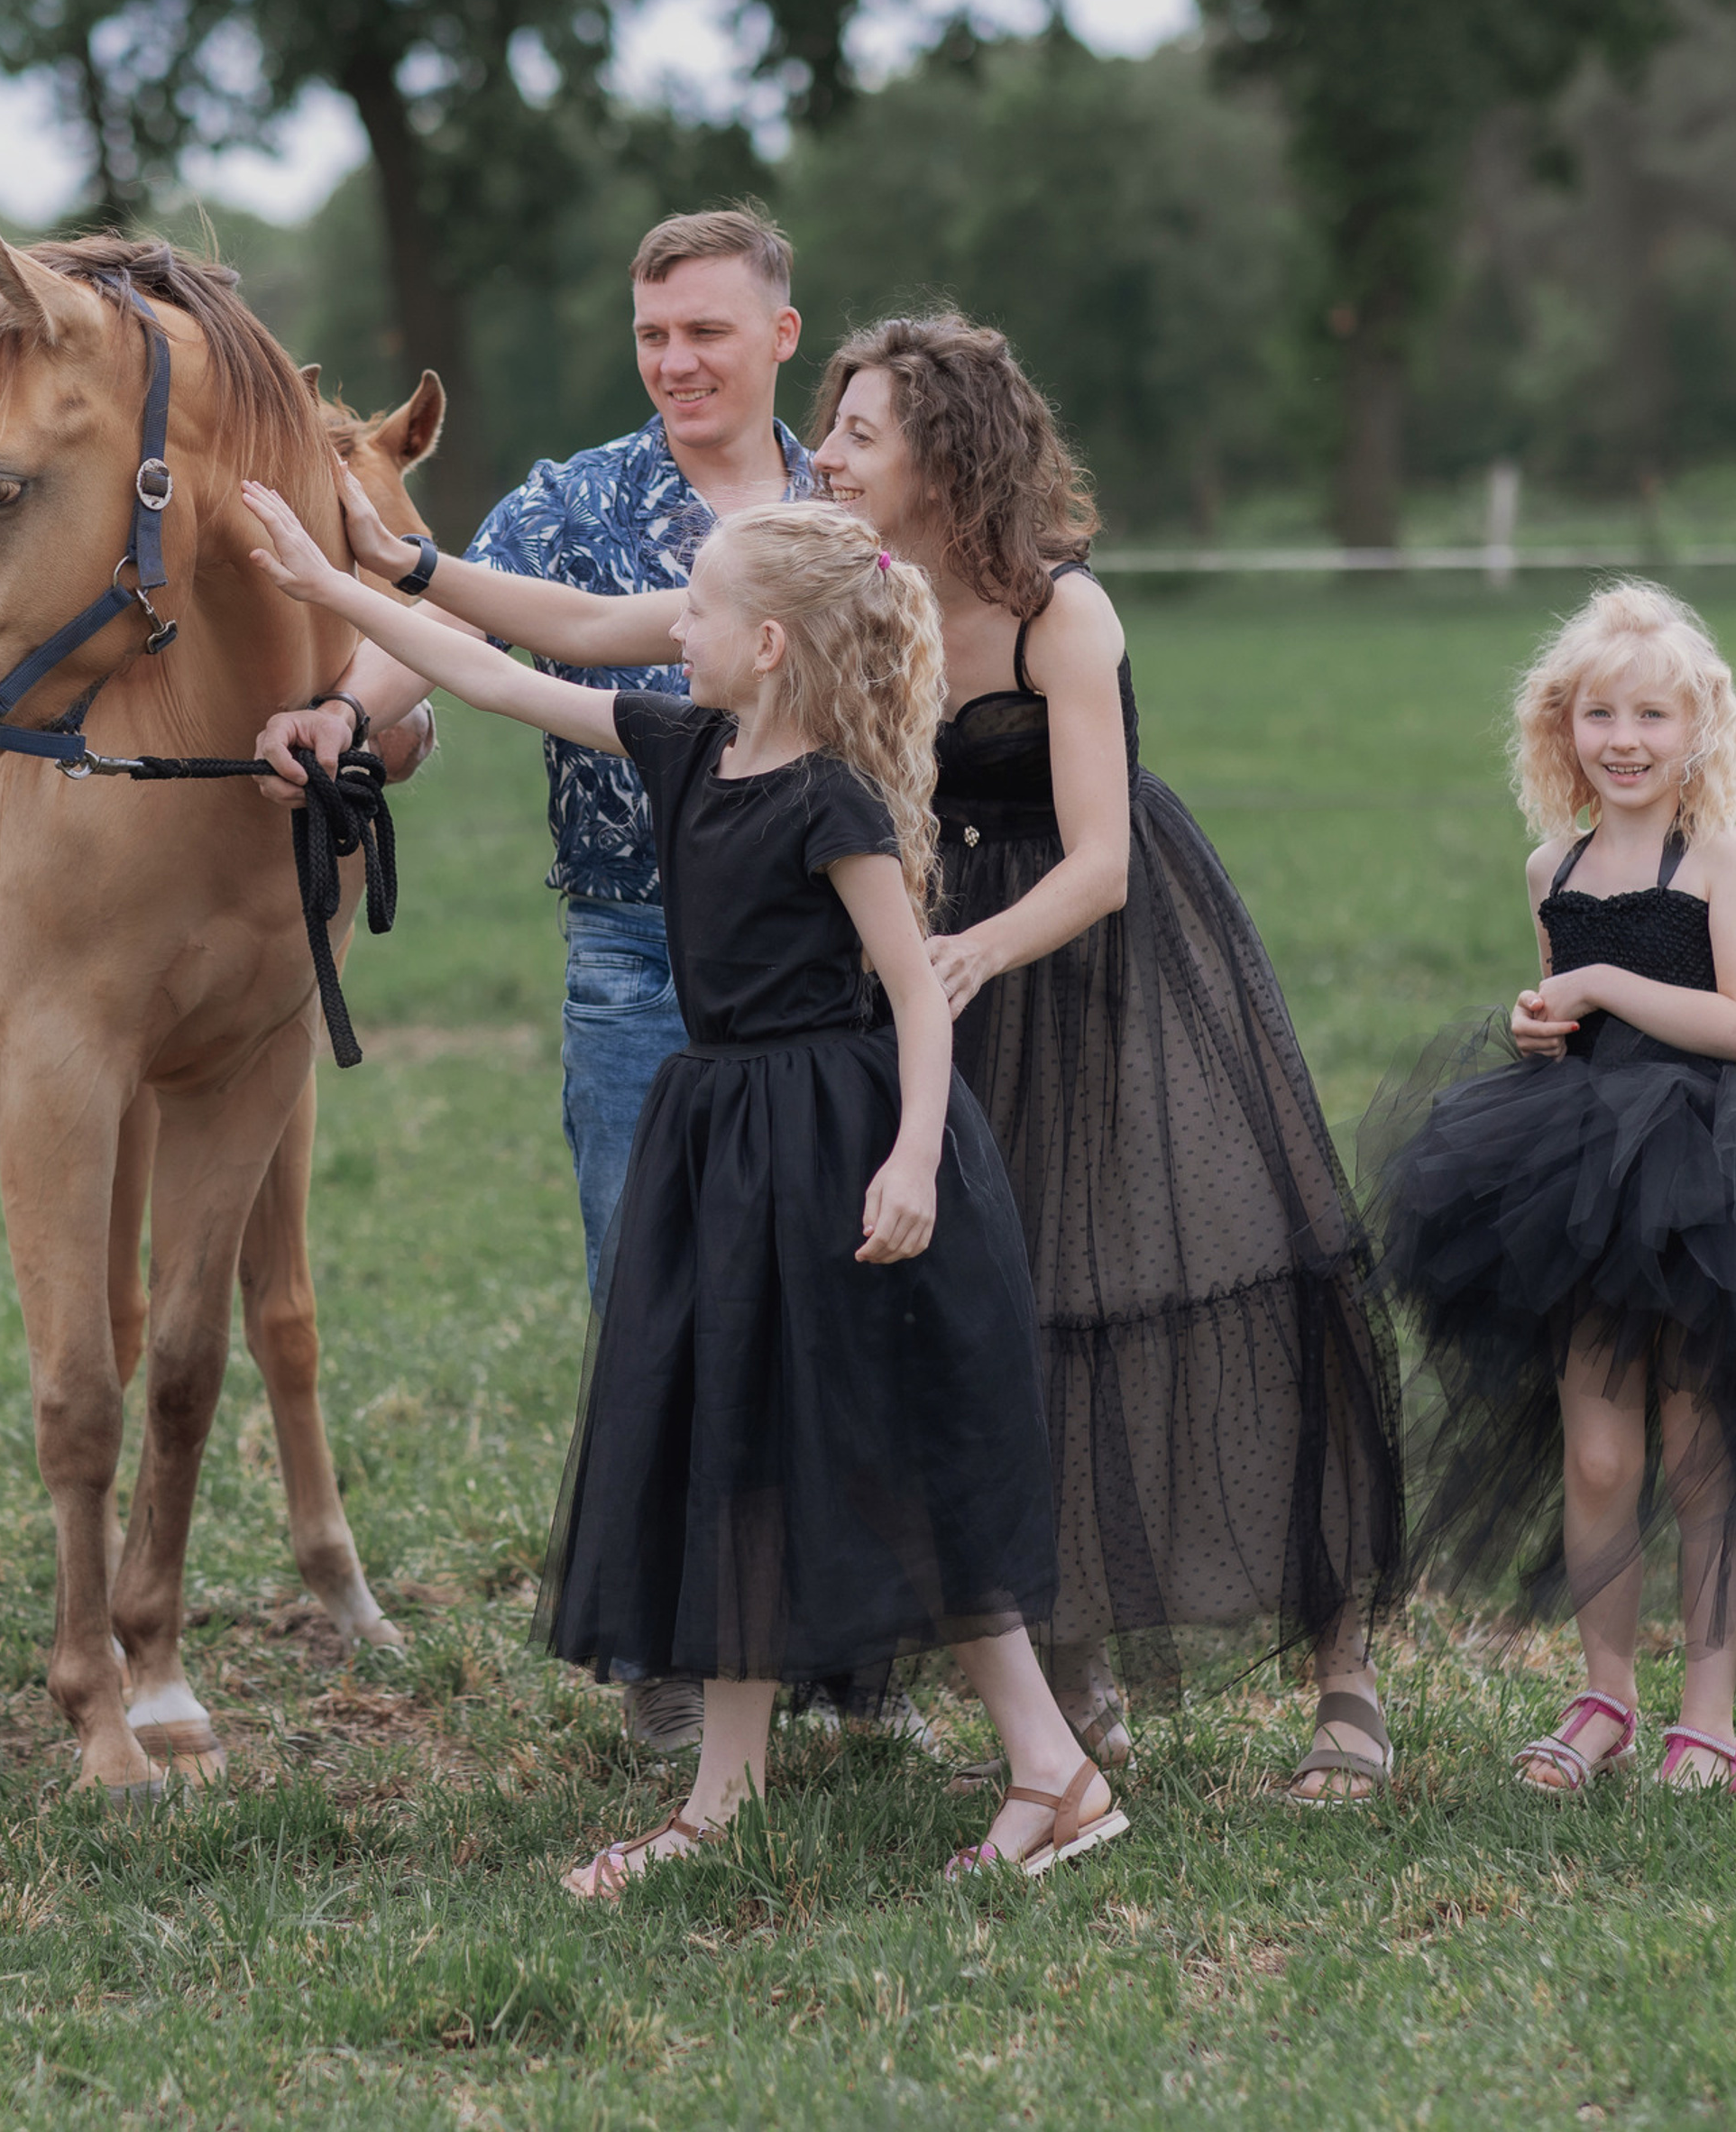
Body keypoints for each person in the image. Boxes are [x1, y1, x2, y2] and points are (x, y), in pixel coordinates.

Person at [337, 313, 1409, 1802]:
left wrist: (972, 949)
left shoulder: (1059, 616)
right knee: (980, 1315)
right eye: (830, 427)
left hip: (1076, 951)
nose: (822, 452)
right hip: (909, 949)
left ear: (943, 456)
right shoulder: (835, 594)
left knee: (1179, 1282)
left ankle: (1342, 1669)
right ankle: (1059, 1665)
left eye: (855, 433)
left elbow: (1100, 863)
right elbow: (579, 642)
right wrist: (404, 570)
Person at [243, 480, 1128, 1886]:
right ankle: (723, 1803)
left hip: (846, 1146)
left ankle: (1053, 1771)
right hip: (726, 1141)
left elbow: (915, 994)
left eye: (700, 609)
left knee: (901, 1453)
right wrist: (322, 577)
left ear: (770, 645)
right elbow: (484, 674)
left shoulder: (831, 798)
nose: (677, 630)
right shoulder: (683, 744)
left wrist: (910, 1163)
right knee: (738, 1447)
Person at [256, 206, 817, 1752]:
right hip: (637, 953)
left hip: (828, 962)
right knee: (654, 1294)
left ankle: (844, 1641)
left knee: (830, 1298)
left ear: (779, 333)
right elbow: (443, 625)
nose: (676, 361)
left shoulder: (848, 500)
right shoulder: (574, 500)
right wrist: (351, 723)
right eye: (653, 335)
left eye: (706, 331)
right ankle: (667, 1647)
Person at [1363, 582, 1736, 1792]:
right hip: (1580, 1181)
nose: (1623, 741)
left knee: (1698, 1450)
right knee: (1597, 1457)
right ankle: (1604, 1696)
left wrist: (1605, 990)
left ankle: (1712, 1713)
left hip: (1703, 1181)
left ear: (1700, 731)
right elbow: (1564, 1013)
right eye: (1598, 716)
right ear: (1558, 727)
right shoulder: (1553, 864)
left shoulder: (1717, 858)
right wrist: (1544, 1025)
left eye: (1651, 718)